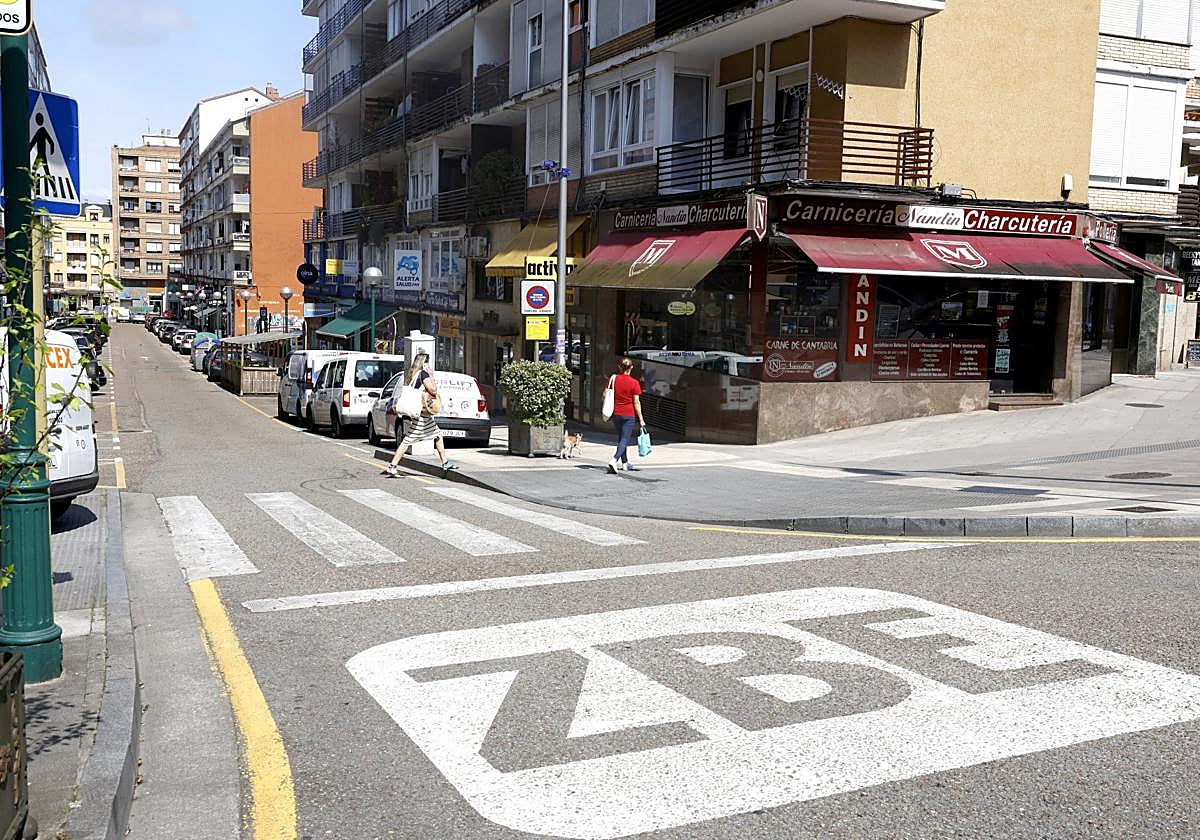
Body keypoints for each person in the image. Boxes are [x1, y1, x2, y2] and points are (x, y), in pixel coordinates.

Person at [383, 352, 457, 476]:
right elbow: (433, 390)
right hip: (421, 414)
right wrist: (431, 376)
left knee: (438, 434)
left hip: (421, 414)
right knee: (407, 440)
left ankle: (445, 462)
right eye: (427, 361)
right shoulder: (423, 374)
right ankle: (392, 466)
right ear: (424, 363)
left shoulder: (412, 374)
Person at [608, 356, 645, 474]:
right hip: (628, 414)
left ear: (620, 367)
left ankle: (625, 463)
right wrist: (641, 419)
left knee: (621, 439)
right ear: (631, 368)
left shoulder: (613, 379)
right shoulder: (634, 383)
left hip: (616, 413)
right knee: (625, 439)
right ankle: (614, 460)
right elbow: (636, 402)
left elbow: (605, 395)